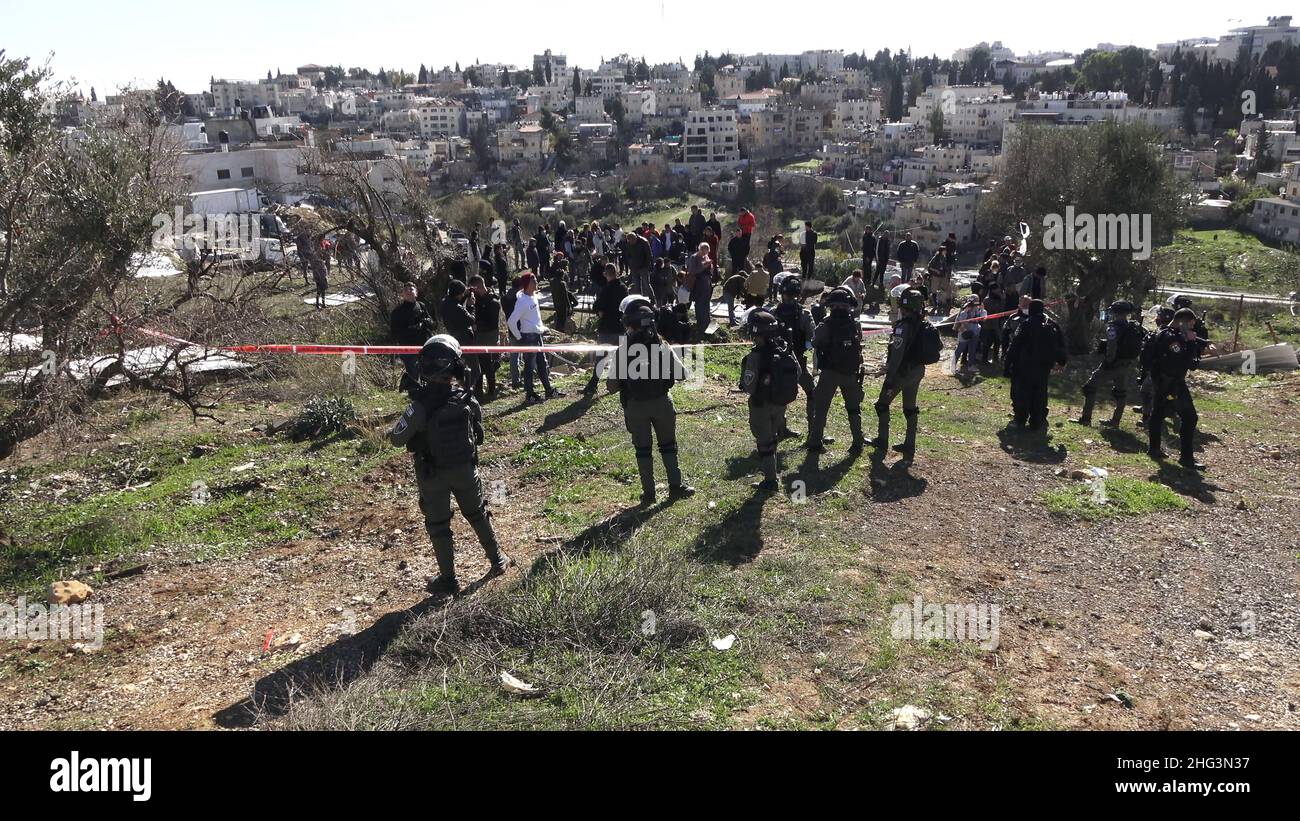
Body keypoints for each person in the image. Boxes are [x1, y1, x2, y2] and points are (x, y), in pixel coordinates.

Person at [387, 335, 512, 596]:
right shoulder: (466, 398)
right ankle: (498, 560)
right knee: (478, 514)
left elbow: (397, 439)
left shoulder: (420, 406)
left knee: (439, 527)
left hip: (432, 474)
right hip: (465, 469)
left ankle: (449, 580)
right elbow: (479, 432)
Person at [613, 296, 696, 505]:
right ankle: (676, 486)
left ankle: (648, 493)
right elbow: (682, 373)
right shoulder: (662, 346)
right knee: (668, 446)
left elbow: (611, 386)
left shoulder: (622, 351)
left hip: (635, 406)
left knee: (642, 450)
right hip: (662, 402)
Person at [741, 310, 801, 491]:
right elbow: (797, 373)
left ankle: (770, 480)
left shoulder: (754, 357)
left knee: (764, 442)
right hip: (780, 403)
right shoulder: (785, 351)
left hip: (761, 404)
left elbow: (748, 385)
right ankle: (771, 473)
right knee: (772, 438)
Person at [869, 287, 927, 464]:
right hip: (918, 371)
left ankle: (882, 440)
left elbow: (897, 355)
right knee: (910, 407)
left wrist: (889, 379)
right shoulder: (924, 324)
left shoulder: (903, 327)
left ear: (904, 307)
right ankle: (910, 443)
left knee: (881, 404)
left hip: (902, 372)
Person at [1144, 308, 1206, 471]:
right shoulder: (1171, 338)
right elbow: (1183, 361)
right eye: (1191, 325)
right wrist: (1191, 342)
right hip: (1171, 384)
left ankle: (1154, 449)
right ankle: (1185, 458)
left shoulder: (1165, 332)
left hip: (1163, 381)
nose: (1192, 329)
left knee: (1158, 414)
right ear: (1183, 322)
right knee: (1190, 417)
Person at [805, 287, 865, 454]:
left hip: (830, 372)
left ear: (831, 306)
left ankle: (816, 441)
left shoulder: (826, 324)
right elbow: (858, 343)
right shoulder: (854, 324)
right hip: (850, 372)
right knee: (853, 409)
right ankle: (858, 442)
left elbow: (815, 342)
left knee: (821, 408)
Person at [1075, 301, 1143, 428]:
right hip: (1125, 364)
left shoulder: (1113, 327)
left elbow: (1112, 346)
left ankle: (1085, 419)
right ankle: (1115, 421)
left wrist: (1108, 362)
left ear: (1115, 312)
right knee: (1121, 392)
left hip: (1113, 364)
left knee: (1090, 388)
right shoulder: (1132, 327)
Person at [1003, 299, 1068, 430]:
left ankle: (1020, 420)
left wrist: (1007, 365)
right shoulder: (1052, 324)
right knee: (1039, 394)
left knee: (1021, 394)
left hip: (1024, 366)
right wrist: (1062, 362)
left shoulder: (1026, 324)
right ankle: (1038, 421)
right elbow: (1061, 345)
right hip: (1043, 367)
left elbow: (1014, 346)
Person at [506, 272, 562, 404]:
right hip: (528, 338)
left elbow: (535, 317)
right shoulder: (522, 301)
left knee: (542, 364)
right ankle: (530, 394)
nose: (537, 282)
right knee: (529, 367)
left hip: (537, 336)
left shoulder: (534, 297)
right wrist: (519, 338)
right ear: (527, 284)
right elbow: (511, 321)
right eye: (534, 281)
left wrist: (542, 328)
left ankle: (548, 390)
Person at [772, 275, 817, 439]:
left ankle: (781, 429)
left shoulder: (773, 313)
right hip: (798, 361)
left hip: (778, 363)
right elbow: (812, 339)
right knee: (812, 393)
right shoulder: (804, 314)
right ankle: (813, 431)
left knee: (780, 397)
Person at [584, 263, 627, 398]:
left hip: (607, 329)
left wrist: (600, 312)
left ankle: (593, 385)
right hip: (620, 327)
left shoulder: (606, 289)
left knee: (601, 359)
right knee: (623, 358)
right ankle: (625, 384)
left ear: (605, 274)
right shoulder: (623, 288)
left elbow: (596, 306)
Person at [390, 283, 434, 390]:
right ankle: (413, 394)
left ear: (416, 293)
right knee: (413, 373)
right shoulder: (397, 312)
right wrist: (415, 328)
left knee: (428, 371)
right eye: (405, 290)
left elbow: (432, 323)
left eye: (411, 289)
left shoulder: (422, 306)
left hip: (424, 345)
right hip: (408, 347)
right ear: (402, 294)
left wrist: (427, 322)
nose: (409, 291)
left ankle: (427, 393)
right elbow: (396, 332)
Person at [441, 279, 479, 393]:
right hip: (465, 340)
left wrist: (465, 294)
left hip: (453, 338)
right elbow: (471, 319)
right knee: (475, 370)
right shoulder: (457, 308)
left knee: (460, 369)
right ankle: (465, 392)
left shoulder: (444, 302)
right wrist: (471, 306)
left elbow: (456, 301)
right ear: (458, 293)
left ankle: (459, 390)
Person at [468, 275, 500, 400]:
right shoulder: (476, 299)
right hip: (478, 336)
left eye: (473, 289)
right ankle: (478, 389)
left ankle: (492, 390)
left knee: (487, 364)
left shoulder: (492, 302)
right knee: (477, 364)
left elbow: (492, 323)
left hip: (488, 336)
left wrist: (477, 326)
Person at [685, 242, 715, 340]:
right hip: (698, 285)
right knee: (699, 305)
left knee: (706, 304)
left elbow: (710, 270)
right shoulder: (694, 257)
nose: (705, 254)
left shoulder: (706, 257)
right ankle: (700, 325)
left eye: (707, 251)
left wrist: (710, 267)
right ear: (700, 249)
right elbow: (692, 271)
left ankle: (707, 323)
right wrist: (704, 266)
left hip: (706, 284)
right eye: (704, 251)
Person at [953, 295, 985, 377]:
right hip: (965, 332)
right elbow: (961, 319)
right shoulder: (965, 309)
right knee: (960, 348)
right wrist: (966, 310)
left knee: (972, 349)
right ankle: (952, 366)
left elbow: (983, 318)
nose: (976, 304)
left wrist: (982, 309)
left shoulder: (978, 309)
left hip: (975, 331)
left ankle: (971, 365)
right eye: (974, 301)